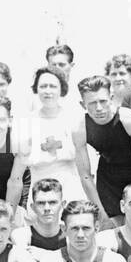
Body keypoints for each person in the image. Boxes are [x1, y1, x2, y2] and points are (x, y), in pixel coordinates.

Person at [74, 74, 131, 226]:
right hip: (108, 180)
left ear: (112, 98)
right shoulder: (80, 129)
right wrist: (101, 213)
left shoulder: (129, 119)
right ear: (83, 105)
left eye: (103, 101)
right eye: (92, 103)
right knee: (111, 232)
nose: (99, 108)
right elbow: (85, 176)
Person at [27, 67, 85, 204]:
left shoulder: (73, 117)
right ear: (37, 89)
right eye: (43, 86)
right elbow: (27, 158)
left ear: (61, 89)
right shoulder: (29, 121)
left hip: (68, 184)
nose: (48, 91)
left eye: (53, 86)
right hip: (39, 185)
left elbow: (78, 154)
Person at [11, 176, 68, 255]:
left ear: (62, 205)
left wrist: (42, 253)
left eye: (52, 203)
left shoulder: (70, 234)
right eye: (41, 203)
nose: (47, 208)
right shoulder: (22, 235)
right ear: (33, 207)